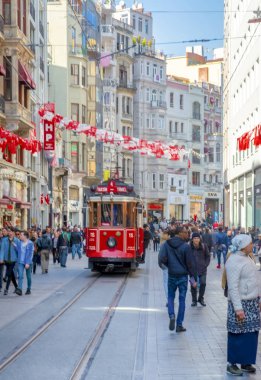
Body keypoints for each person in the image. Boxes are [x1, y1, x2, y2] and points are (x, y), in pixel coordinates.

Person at [225, 234, 260, 376]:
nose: (253, 245)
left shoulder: (248, 258)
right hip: (240, 303)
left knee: (251, 333)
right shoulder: (233, 261)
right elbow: (232, 287)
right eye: (251, 243)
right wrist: (238, 308)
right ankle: (232, 364)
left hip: (251, 301)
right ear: (244, 245)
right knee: (237, 334)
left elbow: (254, 279)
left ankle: (246, 361)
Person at [158, 226, 197, 333]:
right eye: (185, 232)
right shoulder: (185, 246)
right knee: (182, 300)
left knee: (170, 297)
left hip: (172, 275)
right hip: (183, 276)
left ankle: (171, 315)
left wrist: (168, 266)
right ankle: (179, 325)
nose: (187, 234)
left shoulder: (167, 244)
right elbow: (190, 264)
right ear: (179, 233)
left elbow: (161, 259)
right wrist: (193, 280)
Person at [189, 232, 210, 307]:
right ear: (192, 239)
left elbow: (208, 256)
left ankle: (200, 298)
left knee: (203, 283)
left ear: (200, 239)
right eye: (195, 238)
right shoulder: (189, 247)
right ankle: (194, 300)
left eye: (197, 238)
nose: (196, 240)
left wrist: (205, 265)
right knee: (193, 285)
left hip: (202, 269)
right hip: (192, 271)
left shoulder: (204, 246)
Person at [0, 228, 20, 295]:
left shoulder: (17, 241)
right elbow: (2, 250)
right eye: (9, 231)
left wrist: (15, 246)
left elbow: (19, 251)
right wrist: (1, 258)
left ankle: (6, 289)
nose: (10, 233)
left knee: (8, 274)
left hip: (13, 260)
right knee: (11, 274)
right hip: (6, 260)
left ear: (14, 233)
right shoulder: (4, 240)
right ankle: (17, 287)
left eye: (11, 231)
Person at [16, 231, 34, 296]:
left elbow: (31, 254)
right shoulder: (19, 243)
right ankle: (19, 289)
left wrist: (28, 263)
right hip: (20, 262)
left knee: (28, 276)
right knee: (20, 275)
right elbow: (18, 250)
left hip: (28, 262)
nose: (20, 236)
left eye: (21, 235)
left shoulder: (30, 243)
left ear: (25, 236)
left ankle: (28, 288)